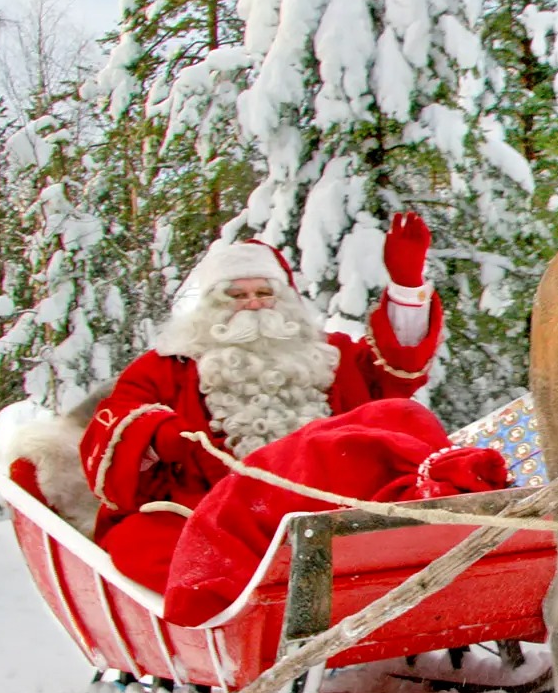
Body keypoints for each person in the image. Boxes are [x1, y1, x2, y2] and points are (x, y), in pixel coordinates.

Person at [79, 213, 442, 591]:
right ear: (210, 307)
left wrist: (405, 286)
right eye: (236, 296)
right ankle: (251, 613)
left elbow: (397, 373)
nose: (253, 305)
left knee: (405, 422)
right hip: (215, 517)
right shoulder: (170, 365)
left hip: (340, 507)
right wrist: (155, 435)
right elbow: (117, 416)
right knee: (149, 545)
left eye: (264, 293)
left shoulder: (328, 354)